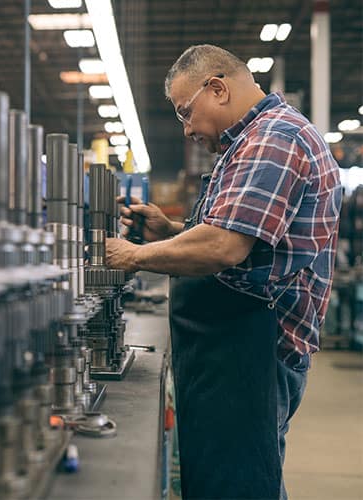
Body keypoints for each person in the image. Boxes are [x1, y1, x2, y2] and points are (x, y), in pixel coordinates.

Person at [106, 44, 342, 499]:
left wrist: (132, 256)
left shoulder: (275, 138)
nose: (188, 128)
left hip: (254, 350)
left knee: (238, 488)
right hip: (237, 348)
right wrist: (170, 231)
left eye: (185, 112)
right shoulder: (249, 142)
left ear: (216, 88)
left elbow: (225, 246)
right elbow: (249, 238)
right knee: (238, 482)